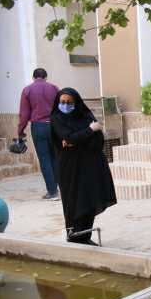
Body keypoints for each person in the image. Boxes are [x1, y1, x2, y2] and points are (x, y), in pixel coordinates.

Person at [50, 88, 117, 245]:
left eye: (69, 102)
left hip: (89, 165)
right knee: (74, 200)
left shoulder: (85, 115)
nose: (65, 105)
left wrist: (77, 139)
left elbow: (98, 139)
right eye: (62, 102)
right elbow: (70, 137)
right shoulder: (57, 119)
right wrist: (89, 131)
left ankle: (85, 236)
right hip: (70, 167)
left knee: (88, 198)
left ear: (77, 102)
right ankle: (74, 236)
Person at [17, 68, 60, 200]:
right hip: (54, 126)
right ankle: (58, 188)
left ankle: (52, 192)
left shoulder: (27, 90)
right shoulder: (54, 88)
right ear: (46, 77)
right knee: (54, 157)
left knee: (44, 159)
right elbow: (61, 108)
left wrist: (20, 130)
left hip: (38, 126)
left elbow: (24, 113)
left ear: (33, 78)